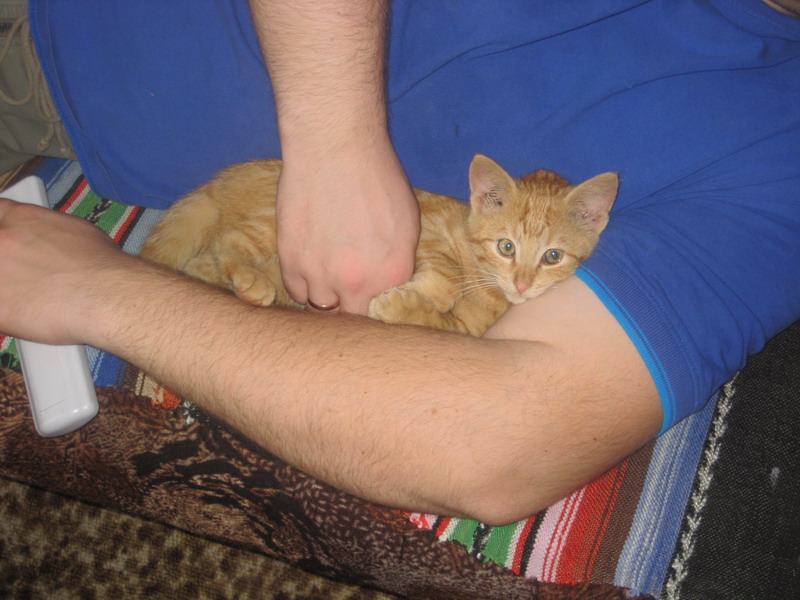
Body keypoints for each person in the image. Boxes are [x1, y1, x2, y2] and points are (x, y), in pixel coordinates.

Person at [0, 0, 798, 525]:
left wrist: (96, 288)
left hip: (52, 89)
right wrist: (334, 135)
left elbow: (492, 444)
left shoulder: (780, 152)